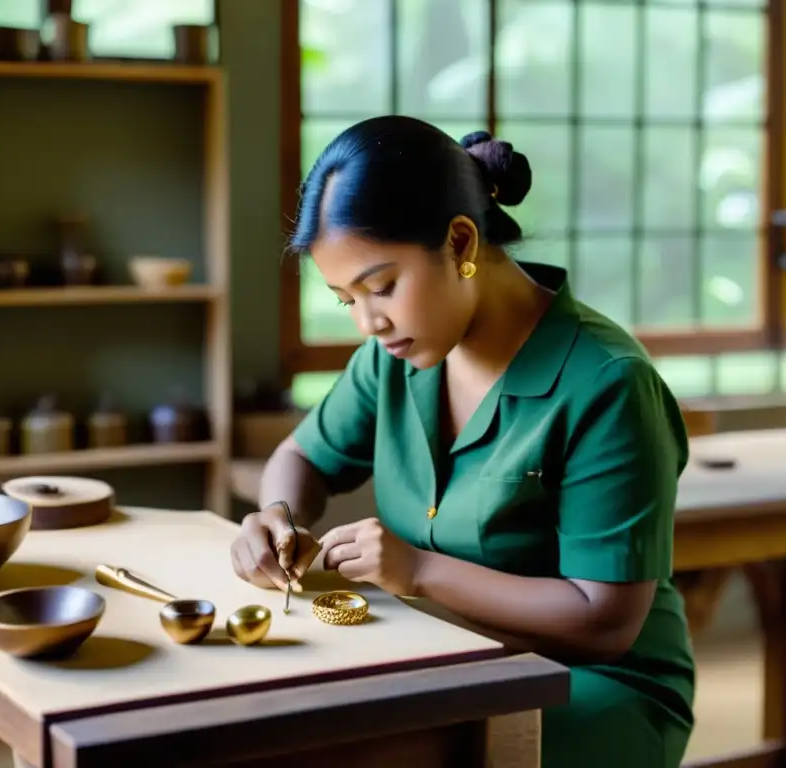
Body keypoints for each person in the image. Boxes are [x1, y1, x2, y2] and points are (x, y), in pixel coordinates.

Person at [229, 115, 695, 767]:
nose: (370, 322)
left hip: (590, 686)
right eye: (346, 301)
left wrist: (419, 570)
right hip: (444, 651)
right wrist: (275, 516)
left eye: (382, 286)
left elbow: (604, 624)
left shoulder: (608, 385)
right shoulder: (394, 357)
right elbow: (303, 457)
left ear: (460, 241)